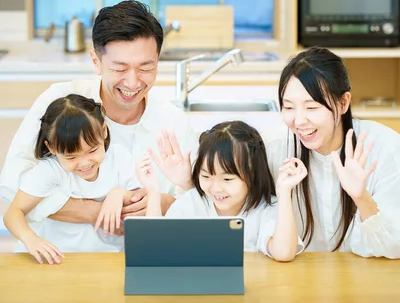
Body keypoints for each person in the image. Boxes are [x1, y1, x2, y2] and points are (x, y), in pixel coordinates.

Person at [0, 1, 197, 230]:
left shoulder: (174, 122)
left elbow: (204, 198)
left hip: (136, 257)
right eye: (119, 69)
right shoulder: (60, 101)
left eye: (145, 68)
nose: (132, 83)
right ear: (96, 62)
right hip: (58, 255)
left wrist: (166, 203)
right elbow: (13, 182)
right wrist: (96, 213)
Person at [267, 46, 400, 258]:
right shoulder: (276, 153)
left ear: (343, 102)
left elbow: (395, 246)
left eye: (311, 107)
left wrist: (362, 198)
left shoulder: (386, 148)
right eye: (289, 107)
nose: (299, 120)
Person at [136, 121, 307, 262]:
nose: (216, 188)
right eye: (206, 176)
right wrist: (153, 192)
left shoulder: (266, 208)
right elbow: (154, 248)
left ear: (252, 175)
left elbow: (284, 253)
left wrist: (284, 193)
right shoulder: (191, 202)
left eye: (227, 179)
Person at [4, 94, 140, 263]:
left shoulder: (119, 157)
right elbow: (13, 213)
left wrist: (118, 194)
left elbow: (140, 198)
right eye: (71, 157)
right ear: (52, 147)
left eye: (92, 151)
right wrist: (31, 239)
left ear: (103, 131)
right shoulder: (50, 170)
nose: (84, 163)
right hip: (59, 259)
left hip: (109, 257)